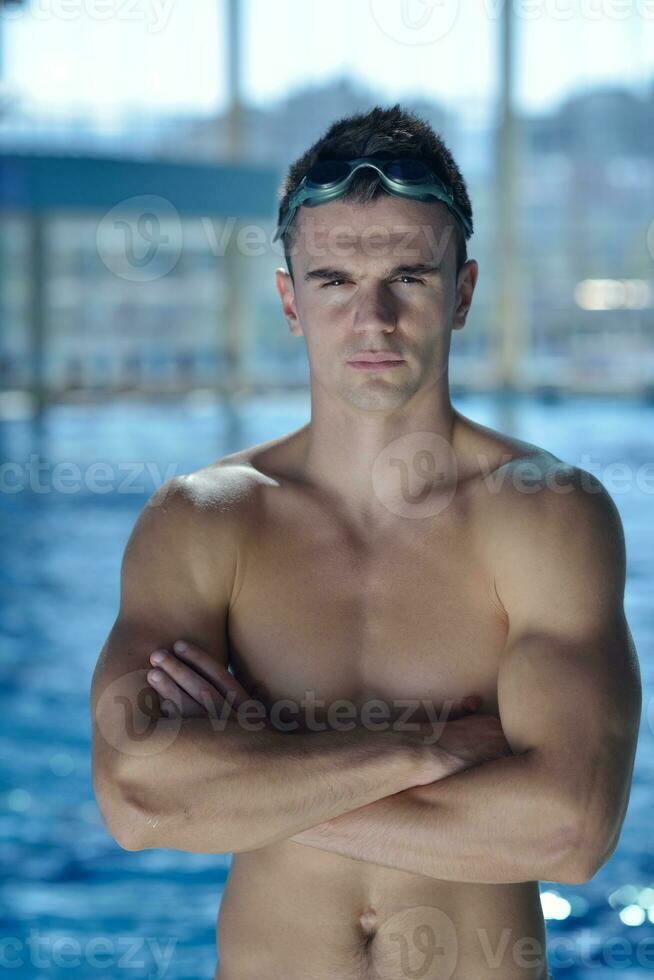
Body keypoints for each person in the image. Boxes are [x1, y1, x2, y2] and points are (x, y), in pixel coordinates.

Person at [91, 104, 642, 980]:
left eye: (409, 277)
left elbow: (570, 830)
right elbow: (135, 799)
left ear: (461, 292)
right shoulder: (200, 521)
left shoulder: (546, 514)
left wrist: (257, 764)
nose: (373, 317)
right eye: (336, 279)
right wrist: (422, 751)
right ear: (290, 300)